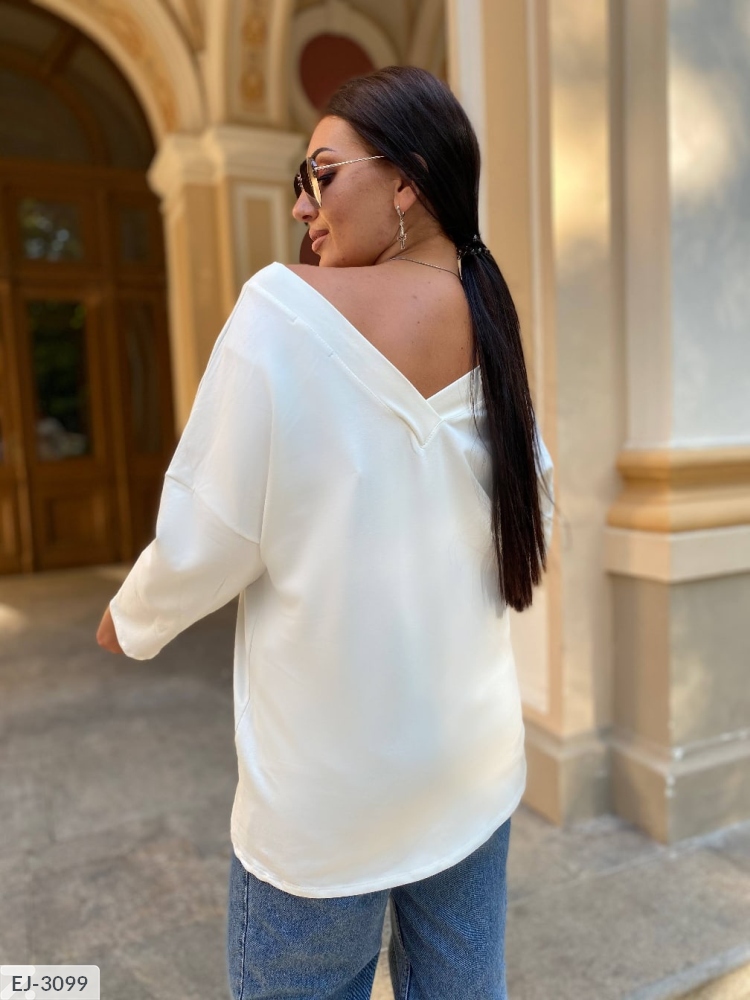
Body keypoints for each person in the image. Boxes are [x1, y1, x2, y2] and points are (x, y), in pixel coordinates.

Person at [96, 65, 554, 1000]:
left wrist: (130, 619)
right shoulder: (490, 325)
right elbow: (534, 510)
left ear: (406, 180)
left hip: (328, 800)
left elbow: (209, 531)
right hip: (470, 767)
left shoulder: (280, 311)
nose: (303, 206)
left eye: (321, 174)